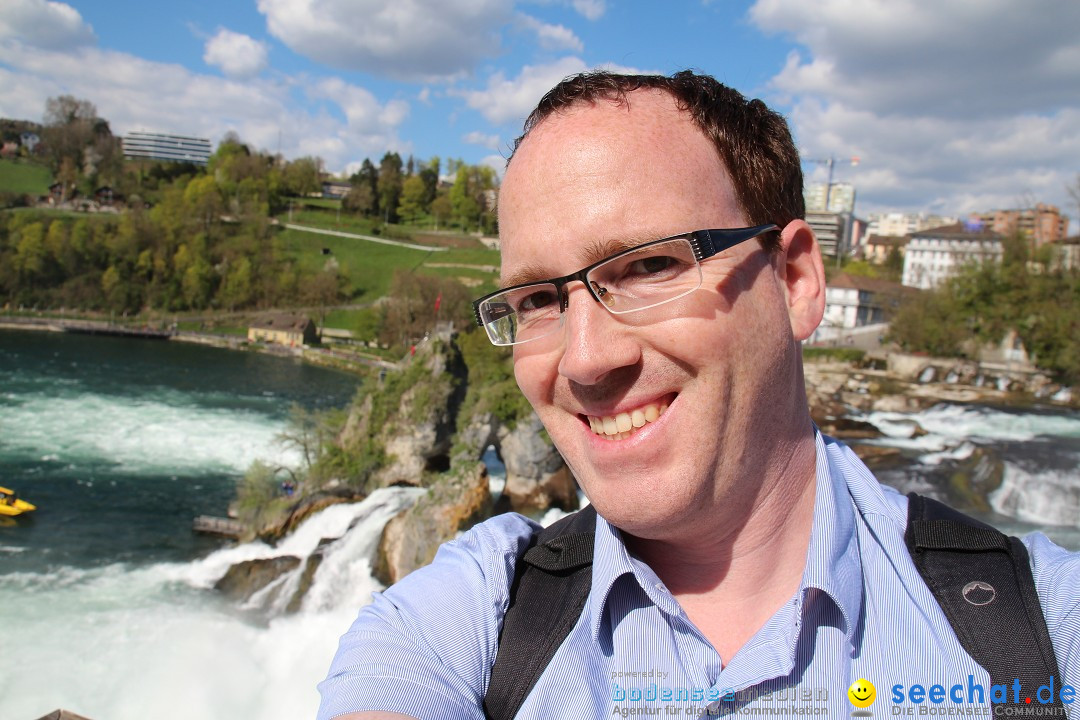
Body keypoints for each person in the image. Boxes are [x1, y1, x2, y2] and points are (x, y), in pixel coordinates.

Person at [317, 71, 1080, 720]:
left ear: (794, 282)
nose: (585, 361)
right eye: (539, 299)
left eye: (649, 268)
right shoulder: (473, 620)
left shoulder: (1040, 628)